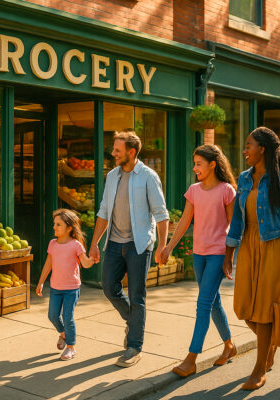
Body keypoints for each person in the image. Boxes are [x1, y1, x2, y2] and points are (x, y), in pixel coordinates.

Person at [223, 127, 280, 391]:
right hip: (248, 245)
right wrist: (229, 253)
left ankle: (259, 370)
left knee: (266, 310)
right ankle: (271, 343)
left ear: (262, 149)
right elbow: (236, 218)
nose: (244, 150)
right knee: (244, 307)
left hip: (275, 246)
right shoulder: (244, 179)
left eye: (249, 145)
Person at [89, 130, 169, 368]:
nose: (113, 153)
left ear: (131, 152)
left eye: (117, 150)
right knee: (109, 288)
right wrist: (93, 243)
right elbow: (104, 212)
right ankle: (132, 320)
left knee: (137, 295)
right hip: (114, 243)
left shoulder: (148, 176)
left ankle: (134, 347)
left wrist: (162, 246)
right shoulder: (112, 176)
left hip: (139, 244)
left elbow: (161, 214)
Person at [159, 144, 237, 377]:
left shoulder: (227, 190)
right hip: (199, 254)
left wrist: (230, 257)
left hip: (218, 254)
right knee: (213, 303)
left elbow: (234, 227)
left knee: (203, 304)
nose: (195, 168)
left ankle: (191, 358)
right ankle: (229, 346)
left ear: (212, 165)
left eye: (199, 164)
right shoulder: (194, 190)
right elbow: (184, 221)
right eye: (194, 164)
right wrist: (168, 247)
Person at [35, 209, 95, 361]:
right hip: (56, 288)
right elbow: (48, 264)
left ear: (69, 228)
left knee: (67, 317)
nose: (54, 227)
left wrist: (93, 259)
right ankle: (63, 334)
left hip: (71, 289)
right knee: (53, 315)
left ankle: (71, 347)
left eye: (58, 224)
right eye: (54, 224)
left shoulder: (76, 245)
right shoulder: (52, 244)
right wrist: (41, 282)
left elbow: (85, 264)